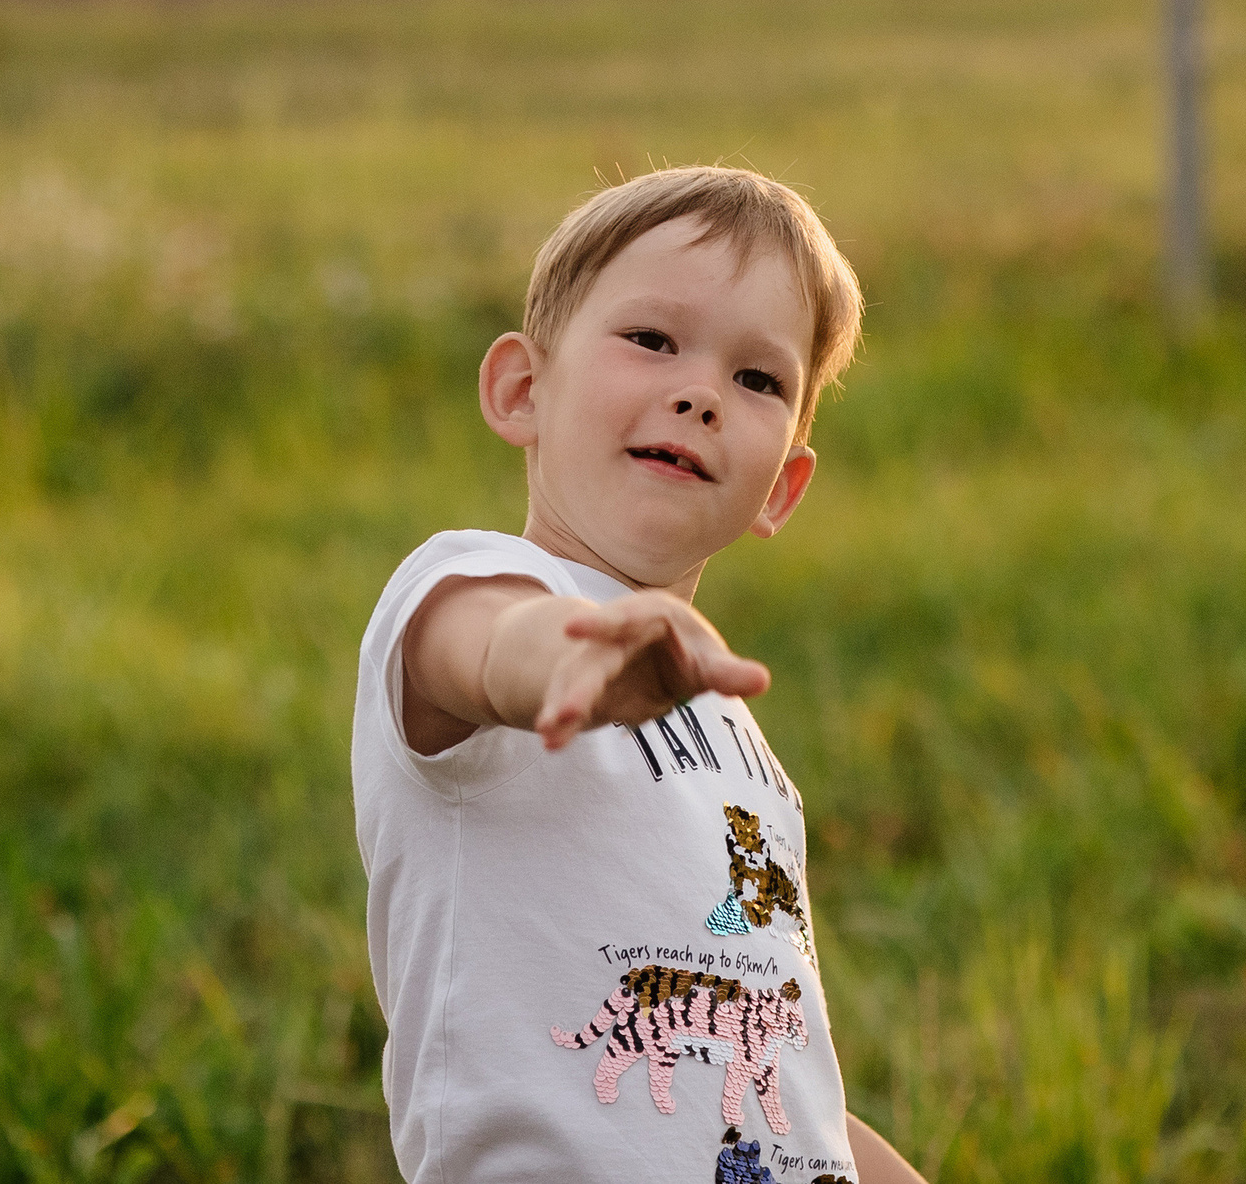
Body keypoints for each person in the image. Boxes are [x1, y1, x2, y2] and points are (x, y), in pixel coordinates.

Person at [351, 165, 923, 1184]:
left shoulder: (744, 752)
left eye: (758, 379)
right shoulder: (468, 583)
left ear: (780, 486)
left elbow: (777, 1060)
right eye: (651, 339)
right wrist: (562, 651)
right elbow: (483, 650)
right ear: (524, 389)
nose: (700, 390)